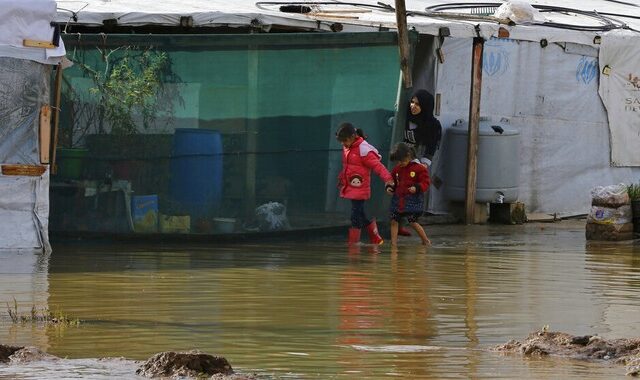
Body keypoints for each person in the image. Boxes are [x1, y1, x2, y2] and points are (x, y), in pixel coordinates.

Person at [336, 122, 394, 245]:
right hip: (351, 187)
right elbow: (347, 166)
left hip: (360, 188)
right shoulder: (347, 147)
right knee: (360, 214)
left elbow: (378, 167)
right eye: (341, 141)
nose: (343, 144)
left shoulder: (364, 150)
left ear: (352, 137)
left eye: (344, 140)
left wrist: (388, 180)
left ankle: (354, 243)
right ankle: (375, 237)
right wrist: (342, 178)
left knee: (355, 215)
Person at [386, 142, 431, 246]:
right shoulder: (397, 169)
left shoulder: (419, 168)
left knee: (412, 221)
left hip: (412, 200)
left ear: (408, 156)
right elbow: (391, 180)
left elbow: (426, 182)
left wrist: (417, 188)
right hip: (398, 199)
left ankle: (425, 240)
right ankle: (393, 244)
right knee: (394, 220)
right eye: (398, 161)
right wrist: (390, 187)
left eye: (402, 161)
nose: (400, 163)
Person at [404, 89, 442, 166]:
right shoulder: (403, 116)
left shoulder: (432, 125)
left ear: (425, 106)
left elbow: (431, 147)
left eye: (417, 104)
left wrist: (423, 165)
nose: (413, 106)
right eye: (412, 102)